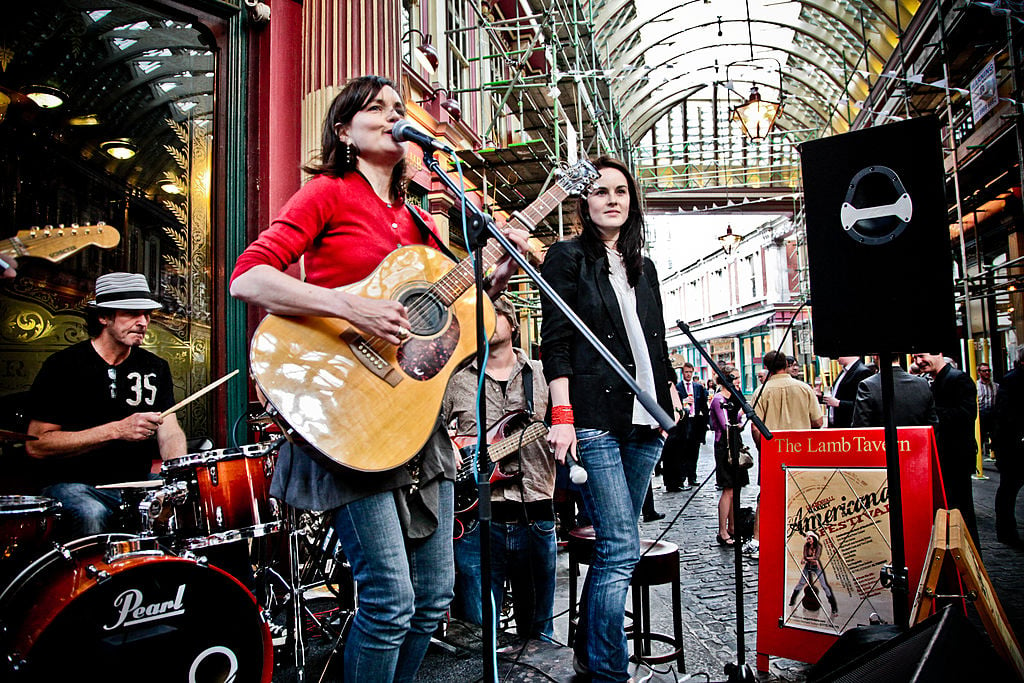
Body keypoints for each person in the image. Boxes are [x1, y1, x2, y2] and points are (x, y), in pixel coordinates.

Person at [230, 75, 528, 682]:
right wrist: (350, 307)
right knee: (389, 601)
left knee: (433, 598)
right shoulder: (327, 194)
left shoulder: (420, 221)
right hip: (350, 413)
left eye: (399, 108)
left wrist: (493, 273)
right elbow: (248, 279)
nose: (394, 116)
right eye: (377, 109)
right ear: (344, 130)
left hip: (417, 422)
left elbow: (459, 327)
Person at [541, 156, 681, 682]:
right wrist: (562, 412)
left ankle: (590, 655)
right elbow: (555, 341)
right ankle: (607, 672)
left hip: (645, 421)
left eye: (621, 190)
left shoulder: (644, 270)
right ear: (585, 201)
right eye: (600, 191)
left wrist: (670, 401)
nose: (612, 199)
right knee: (620, 546)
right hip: (594, 417)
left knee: (618, 545)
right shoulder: (566, 257)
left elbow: (657, 344)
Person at [26, 272, 187, 539]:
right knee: (91, 512)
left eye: (147, 315)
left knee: (183, 505)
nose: (143, 322)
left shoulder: (155, 367)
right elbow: (37, 444)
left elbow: (168, 429)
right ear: (104, 316)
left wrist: (178, 474)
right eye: (131, 314)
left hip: (135, 484)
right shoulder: (63, 366)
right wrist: (116, 430)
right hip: (74, 484)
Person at [442, 295, 556, 640]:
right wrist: (446, 442)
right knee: (477, 634)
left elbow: (569, 422)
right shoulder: (457, 380)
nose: (487, 321)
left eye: (495, 314)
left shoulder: (543, 375)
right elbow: (425, 428)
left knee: (538, 633)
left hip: (534, 510)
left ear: (513, 323)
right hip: (475, 518)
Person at [748, 350, 824, 559]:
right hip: (800, 451)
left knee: (766, 497)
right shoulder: (804, 388)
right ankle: (806, 538)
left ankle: (758, 540)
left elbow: (756, 427)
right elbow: (818, 422)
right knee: (805, 494)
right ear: (787, 365)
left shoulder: (761, 392)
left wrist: (762, 448)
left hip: (773, 451)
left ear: (767, 367)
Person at [912, 352, 979, 545]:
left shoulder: (958, 379)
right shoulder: (932, 381)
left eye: (921, 356)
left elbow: (966, 414)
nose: (918, 362)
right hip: (943, 457)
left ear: (938, 354)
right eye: (915, 358)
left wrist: (930, 414)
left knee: (961, 512)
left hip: (955, 458)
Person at [710, 367, 748, 548]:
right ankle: (722, 530)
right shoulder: (719, 399)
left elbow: (742, 412)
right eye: (736, 377)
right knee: (728, 489)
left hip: (735, 442)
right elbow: (726, 423)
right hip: (724, 445)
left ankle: (733, 526)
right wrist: (738, 421)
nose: (739, 381)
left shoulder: (734, 394)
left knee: (736, 488)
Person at [851, 356, 937, 428]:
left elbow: (860, 427)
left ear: (875, 356)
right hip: (918, 445)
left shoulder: (867, 386)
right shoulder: (922, 383)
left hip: (881, 445)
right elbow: (933, 425)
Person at [994, 349, 1024, 546]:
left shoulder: (1010, 380)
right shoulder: (1011, 381)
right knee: (1009, 488)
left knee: (1008, 489)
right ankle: (1006, 531)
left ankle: (1006, 530)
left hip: (1013, 444)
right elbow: (1005, 416)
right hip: (1014, 446)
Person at [663, 361, 708, 491]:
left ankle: (692, 476)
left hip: (695, 422)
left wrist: (705, 422)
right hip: (683, 423)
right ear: (682, 373)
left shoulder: (698, 387)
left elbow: (703, 406)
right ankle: (681, 478)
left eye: (690, 372)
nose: (688, 374)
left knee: (694, 451)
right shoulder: (677, 387)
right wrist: (683, 403)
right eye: (686, 372)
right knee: (682, 450)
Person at [788, 531, 838, 617]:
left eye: (809, 538)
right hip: (808, 566)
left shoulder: (818, 546)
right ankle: (792, 600)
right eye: (807, 539)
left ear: (813, 538)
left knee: (824, 585)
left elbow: (816, 557)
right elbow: (805, 556)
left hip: (816, 567)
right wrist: (810, 559)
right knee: (801, 583)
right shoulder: (806, 546)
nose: (808, 540)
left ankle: (833, 607)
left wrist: (809, 559)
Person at [824, 356, 873, 428]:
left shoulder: (862, 372)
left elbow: (863, 405)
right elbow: (837, 394)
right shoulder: (844, 371)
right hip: (836, 425)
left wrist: (839, 403)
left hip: (848, 426)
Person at [976, 362, 998, 458]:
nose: (987, 373)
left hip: (993, 414)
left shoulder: (995, 386)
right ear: (979, 372)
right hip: (981, 414)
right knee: (980, 437)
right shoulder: (976, 385)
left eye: (988, 371)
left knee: (996, 436)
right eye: (984, 371)